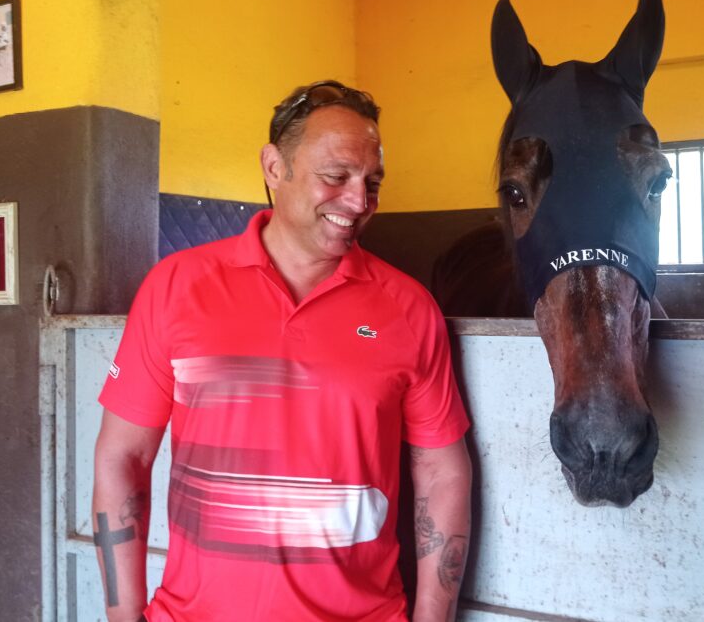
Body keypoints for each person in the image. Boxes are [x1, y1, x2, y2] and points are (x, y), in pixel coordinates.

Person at [93, 80, 472, 621]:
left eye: (373, 182)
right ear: (275, 167)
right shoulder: (176, 287)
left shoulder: (409, 309)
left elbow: (441, 473)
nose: (359, 201)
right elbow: (122, 458)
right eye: (336, 177)